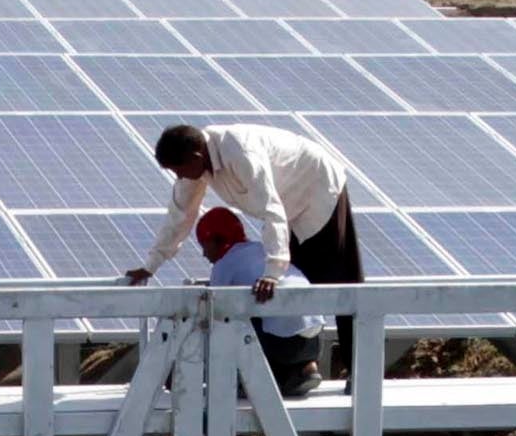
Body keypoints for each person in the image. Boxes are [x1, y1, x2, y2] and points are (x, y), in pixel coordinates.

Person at [127, 125, 360, 350]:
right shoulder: (195, 167)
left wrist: (272, 272)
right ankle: (302, 368)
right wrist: (151, 265)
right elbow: (179, 216)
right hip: (287, 209)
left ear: (196, 157)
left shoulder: (241, 155)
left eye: (179, 170)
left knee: (336, 281)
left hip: (317, 190)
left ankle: (356, 367)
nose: (178, 177)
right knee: (296, 286)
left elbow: (271, 209)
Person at [195, 208, 319, 398]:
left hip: (279, 344)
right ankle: (307, 367)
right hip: (313, 339)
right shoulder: (264, 251)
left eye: (204, 244)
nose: (203, 253)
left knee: (230, 322)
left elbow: (214, 315)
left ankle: (257, 380)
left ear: (218, 240)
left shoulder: (225, 264)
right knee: (272, 313)